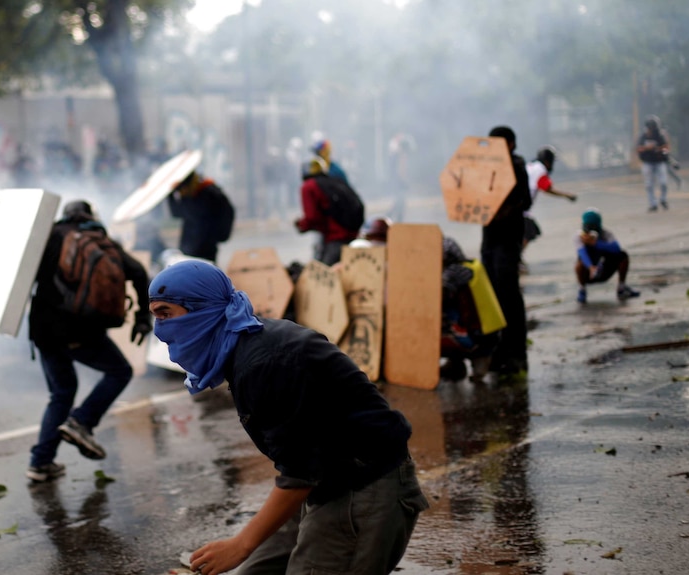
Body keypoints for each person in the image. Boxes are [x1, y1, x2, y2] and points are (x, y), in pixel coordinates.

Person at [147, 260, 429, 575]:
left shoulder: (264, 361)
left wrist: (241, 544)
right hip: (327, 477)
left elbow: (300, 473)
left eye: (165, 314)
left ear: (204, 308)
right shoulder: (246, 344)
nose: (160, 330)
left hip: (364, 486)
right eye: (155, 316)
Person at [26, 200, 152, 483]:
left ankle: (41, 462)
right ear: (90, 216)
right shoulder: (102, 240)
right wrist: (144, 316)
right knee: (120, 371)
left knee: (61, 393)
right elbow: (139, 272)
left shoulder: (48, 237)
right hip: (82, 329)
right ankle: (82, 422)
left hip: (45, 329)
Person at [481, 126, 532, 376]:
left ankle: (517, 352)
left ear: (511, 144)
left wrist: (502, 212)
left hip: (507, 239)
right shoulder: (486, 165)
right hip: (489, 240)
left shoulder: (517, 165)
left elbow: (525, 201)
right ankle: (500, 349)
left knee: (508, 294)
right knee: (492, 294)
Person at [440, 237, 499, 383]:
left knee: (437, 319)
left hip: (476, 337)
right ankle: (458, 364)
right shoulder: (470, 266)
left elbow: (437, 298)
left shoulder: (453, 273)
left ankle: (467, 363)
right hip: (487, 334)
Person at [295, 157, 361, 266]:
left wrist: (301, 225)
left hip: (335, 237)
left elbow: (312, 217)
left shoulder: (309, 186)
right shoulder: (333, 181)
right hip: (352, 233)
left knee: (324, 274)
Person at [521, 146, 577, 272]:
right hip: (522, 209)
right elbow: (546, 188)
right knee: (530, 230)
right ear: (548, 161)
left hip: (517, 206)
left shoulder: (531, 165)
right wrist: (566, 195)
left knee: (525, 232)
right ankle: (516, 258)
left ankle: (516, 257)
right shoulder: (540, 170)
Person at [167, 170, 235, 263]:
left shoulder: (209, 192)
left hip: (205, 247)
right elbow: (177, 213)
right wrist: (170, 195)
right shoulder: (190, 193)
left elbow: (192, 214)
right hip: (189, 246)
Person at [575, 208, 640, 304]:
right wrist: (590, 267)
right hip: (589, 273)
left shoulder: (605, 234)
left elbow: (616, 248)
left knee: (623, 255)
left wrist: (596, 243)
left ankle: (621, 288)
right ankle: (582, 290)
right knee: (579, 264)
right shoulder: (579, 236)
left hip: (605, 270)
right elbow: (582, 253)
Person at [636, 115, 670, 212]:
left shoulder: (660, 135)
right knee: (649, 184)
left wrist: (659, 149)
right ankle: (653, 204)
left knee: (663, 182)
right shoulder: (643, 136)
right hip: (647, 163)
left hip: (659, 162)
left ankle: (663, 199)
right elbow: (639, 148)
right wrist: (648, 148)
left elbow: (665, 147)